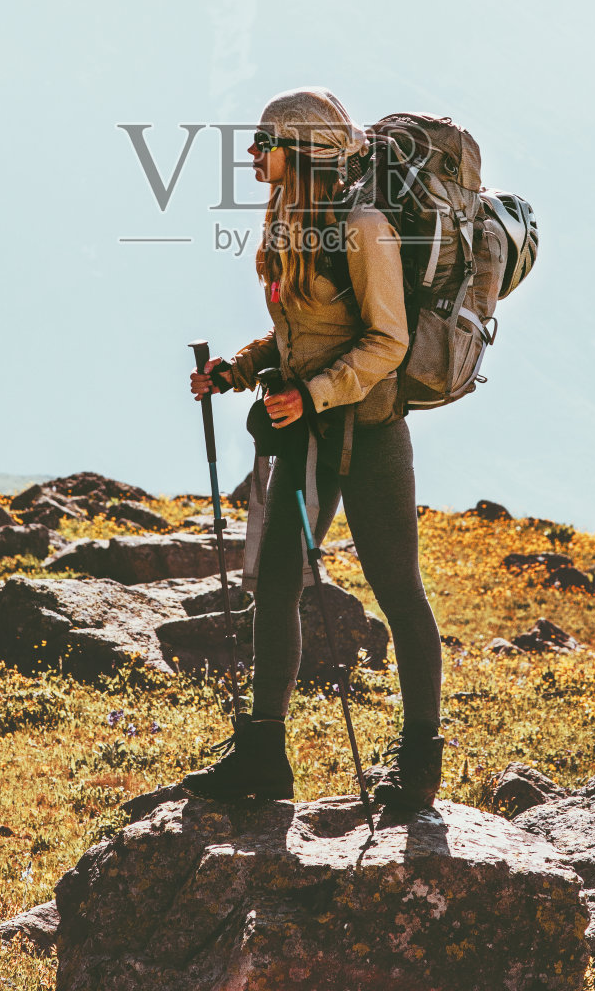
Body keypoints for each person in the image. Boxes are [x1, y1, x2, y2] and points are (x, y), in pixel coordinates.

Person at [184, 86, 444, 811]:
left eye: (264, 143)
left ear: (301, 152)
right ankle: (264, 756)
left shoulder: (363, 229)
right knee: (274, 585)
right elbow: (296, 334)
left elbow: (388, 342)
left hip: (369, 436)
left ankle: (418, 769)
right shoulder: (287, 226)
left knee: (398, 591)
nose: (251, 154)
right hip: (308, 436)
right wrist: (238, 370)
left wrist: (313, 394)